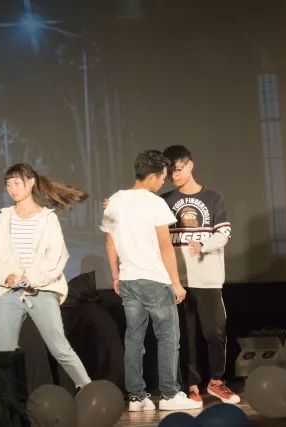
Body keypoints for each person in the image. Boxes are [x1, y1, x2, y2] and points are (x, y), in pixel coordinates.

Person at [100, 149, 202, 411]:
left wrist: (115, 275)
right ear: (153, 176)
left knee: (134, 339)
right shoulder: (155, 203)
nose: (163, 182)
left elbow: (110, 242)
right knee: (167, 337)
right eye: (163, 177)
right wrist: (176, 283)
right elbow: (165, 246)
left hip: (128, 279)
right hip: (155, 279)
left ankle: (137, 398)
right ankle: (169, 395)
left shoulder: (114, 200)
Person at [0, 163, 91, 391]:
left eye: (17, 183)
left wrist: (30, 278)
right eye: (8, 184)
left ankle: (88, 389)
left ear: (31, 182)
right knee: (4, 351)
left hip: (42, 290)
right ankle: (7, 400)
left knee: (59, 347)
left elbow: (57, 257)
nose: (12, 189)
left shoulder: (47, 219)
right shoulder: (2, 220)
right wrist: (6, 277)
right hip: (11, 293)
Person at [161, 145, 239, 405]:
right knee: (186, 336)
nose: (174, 175)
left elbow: (224, 233)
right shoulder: (164, 200)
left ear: (190, 165)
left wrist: (203, 245)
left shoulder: (213, 197)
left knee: (215, 333)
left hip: (208, 279)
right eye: (170, 172)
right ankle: (191, 386)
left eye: (178, 169)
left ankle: (216, 382)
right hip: (178, 281)